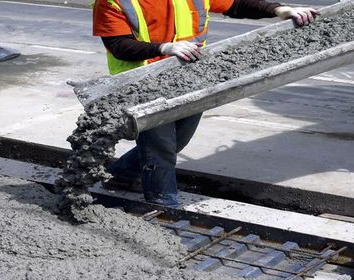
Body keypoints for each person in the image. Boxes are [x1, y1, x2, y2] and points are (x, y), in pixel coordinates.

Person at [94, 0, 320, 206]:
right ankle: (163, 201)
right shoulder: (112, 2)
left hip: (190, 77)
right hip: (143, 82)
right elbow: (118, 45)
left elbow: (236, 4)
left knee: (178, 140)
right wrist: (164, 48)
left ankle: (121, 175)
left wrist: (281, 10)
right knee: (159, 145)